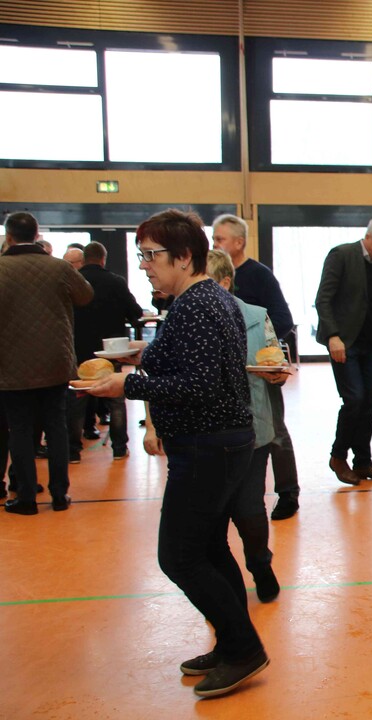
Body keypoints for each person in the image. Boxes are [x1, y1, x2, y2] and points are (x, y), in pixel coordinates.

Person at [87, 209, 268, 697]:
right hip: (217, 442)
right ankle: (232, 641)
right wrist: (140, 364)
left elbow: (200, 385)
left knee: (179, 556)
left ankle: (244, 645)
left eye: (152, 255)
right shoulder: (202, 300)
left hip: (210, 445)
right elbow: (193, 368)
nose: (145, 264)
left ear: (184, 257)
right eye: (141, 255)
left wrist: (128, 383)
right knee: (208, 547)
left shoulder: (199, 305)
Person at [0, 212, 93, 515]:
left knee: (20, 431)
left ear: (9, 237)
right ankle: (59, 495)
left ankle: (26, 497)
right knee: (56, 428)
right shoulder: (59, 268)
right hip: (55, 362)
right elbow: (85, 295)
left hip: (12, 366)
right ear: (37, 236)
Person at [203, 249, 282, 601]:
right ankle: (224, 582)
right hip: (203, 434)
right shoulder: (182, 317)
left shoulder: (257, 316)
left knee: (249, 508)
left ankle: (260, 565)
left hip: (252, 429)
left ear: (224, 283)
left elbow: (274, 360)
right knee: (211, 515)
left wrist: (276, 372)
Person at [213, 214, 301, 521]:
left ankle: (288, 493)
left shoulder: (259, 275)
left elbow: (282, 319)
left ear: (238, 242)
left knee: (274, 431)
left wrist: (261, 346)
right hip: (226, 374)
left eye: (220, 239)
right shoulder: (205, 276)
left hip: (259, 371)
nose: (215, 244)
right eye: (213, 239)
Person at [315, 217, 372, 486]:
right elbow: (323, 299)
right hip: (344, 342)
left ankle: (363, 462)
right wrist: (333, 336)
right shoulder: (341, 255)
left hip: (369, 343)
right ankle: (338, 457)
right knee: (354, 400)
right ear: (369, 237)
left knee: (370, 403)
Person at [68, 241, 143, 462]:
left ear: (83, 259)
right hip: (110, 352)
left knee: (77, 400)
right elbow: (135, 313)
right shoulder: (116, 282)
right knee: (116, 400)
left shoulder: (73, 282)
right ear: (103, 259)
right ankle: (119, 448)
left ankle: (73, 450)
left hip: (78, 349)